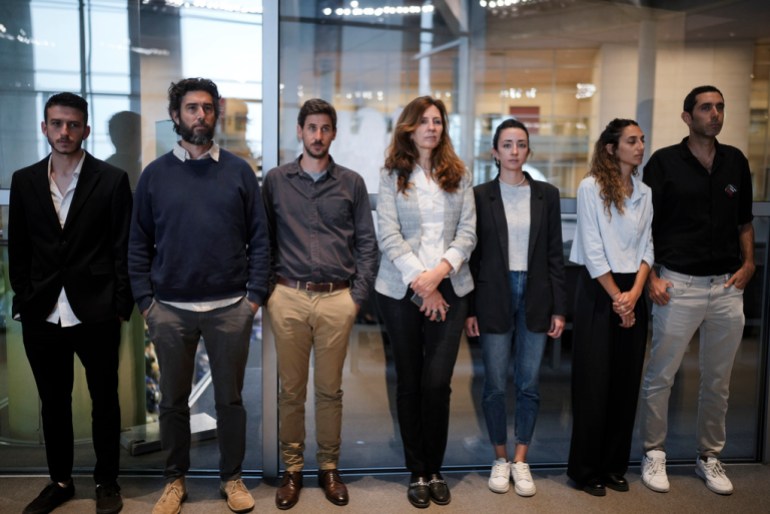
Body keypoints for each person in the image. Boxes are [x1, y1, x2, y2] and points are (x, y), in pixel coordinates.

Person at [128, 78, 269, 514]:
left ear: (216, 115)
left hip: (230, 308)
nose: (200, 116)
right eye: (191, 108)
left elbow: (260, 240)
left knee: (229, 401)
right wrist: (146, 303)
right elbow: (137, 244)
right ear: (176, 116)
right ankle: (175, 481)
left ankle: (232, 478)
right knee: (171, 402)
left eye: (207, 108)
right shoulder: (154, 175)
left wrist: (253, 299)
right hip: (170, 309)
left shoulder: (240, 171)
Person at [8, 92, 132, 514]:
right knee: (53, 401)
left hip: (96, 309)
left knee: (104, 400)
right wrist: (24, 298)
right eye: (57, 123)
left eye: (73, 124)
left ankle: (107, 481)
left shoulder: (112, 180)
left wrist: (120, 304)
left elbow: (122, 248)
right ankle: (59, 481)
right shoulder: (24, 180)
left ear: (86, 130)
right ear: (44, 127)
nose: (64, 132)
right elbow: (19, 247)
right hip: (42, 310)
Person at [262, 98, 378, 510]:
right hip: (288, 296)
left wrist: (356, 298)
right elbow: (263, 241)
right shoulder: (275, 180)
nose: (317, 135)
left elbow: (367, 242)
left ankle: (329, 468)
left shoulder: (351, 182)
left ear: (333, 133)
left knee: (330, 391)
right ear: (299, 131)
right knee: (291, 392)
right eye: (311, 127)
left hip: (336, 299)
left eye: (325, 128)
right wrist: (268, 294)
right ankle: (292, 470)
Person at [639, 86, 754, 496]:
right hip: (678, 285)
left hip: (726, 287)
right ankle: (654, 452)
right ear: (687, 116)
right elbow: (644, 225)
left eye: (720, 107)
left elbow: (744, 221)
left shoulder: (735, 162)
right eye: (706, 108)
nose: (715, 114)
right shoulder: (664, 163)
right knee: (660, 377)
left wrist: (749, 263)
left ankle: (709, 456)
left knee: (718, 380)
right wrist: (650, 276)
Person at [375, 96, 476, 508]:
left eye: (438, 121)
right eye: (424, 121)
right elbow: (388, 233)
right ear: (409, 128)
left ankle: (436, 468)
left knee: (437, 383)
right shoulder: (390, 174)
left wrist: (438, 276)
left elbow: (468, 232)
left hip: (450, 287)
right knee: (410, 380)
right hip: (402, 289)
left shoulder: (459, 173)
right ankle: (416, 470)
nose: (432, 127)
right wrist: (422, 282)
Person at [465, 119, 566, 497]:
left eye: (520, 144)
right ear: (494, 152)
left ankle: (522, 460)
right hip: (494, 292)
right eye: (506, 144)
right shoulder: (479, 196)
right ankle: (500, 457)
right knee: (493, 384)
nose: (513, 151)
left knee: (528, 383)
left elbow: (555, 254)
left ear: (528, 151)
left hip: (536, 293)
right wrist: (471, 308)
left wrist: (559, 308)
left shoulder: (547, 194)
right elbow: (472, 258)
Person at [567, 118, 653, 496]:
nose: (639, 146)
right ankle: (586, 471)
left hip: (633, 290)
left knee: (625, 384)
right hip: (598, 291)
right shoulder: (591, 187)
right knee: (594, 384)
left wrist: (634, 293)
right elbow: (591, 247)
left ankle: (614, 466)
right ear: (611, 148)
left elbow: (648, 246)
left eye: (642, 140)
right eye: (631, 141)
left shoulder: (645, 192)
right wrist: (619, 297)